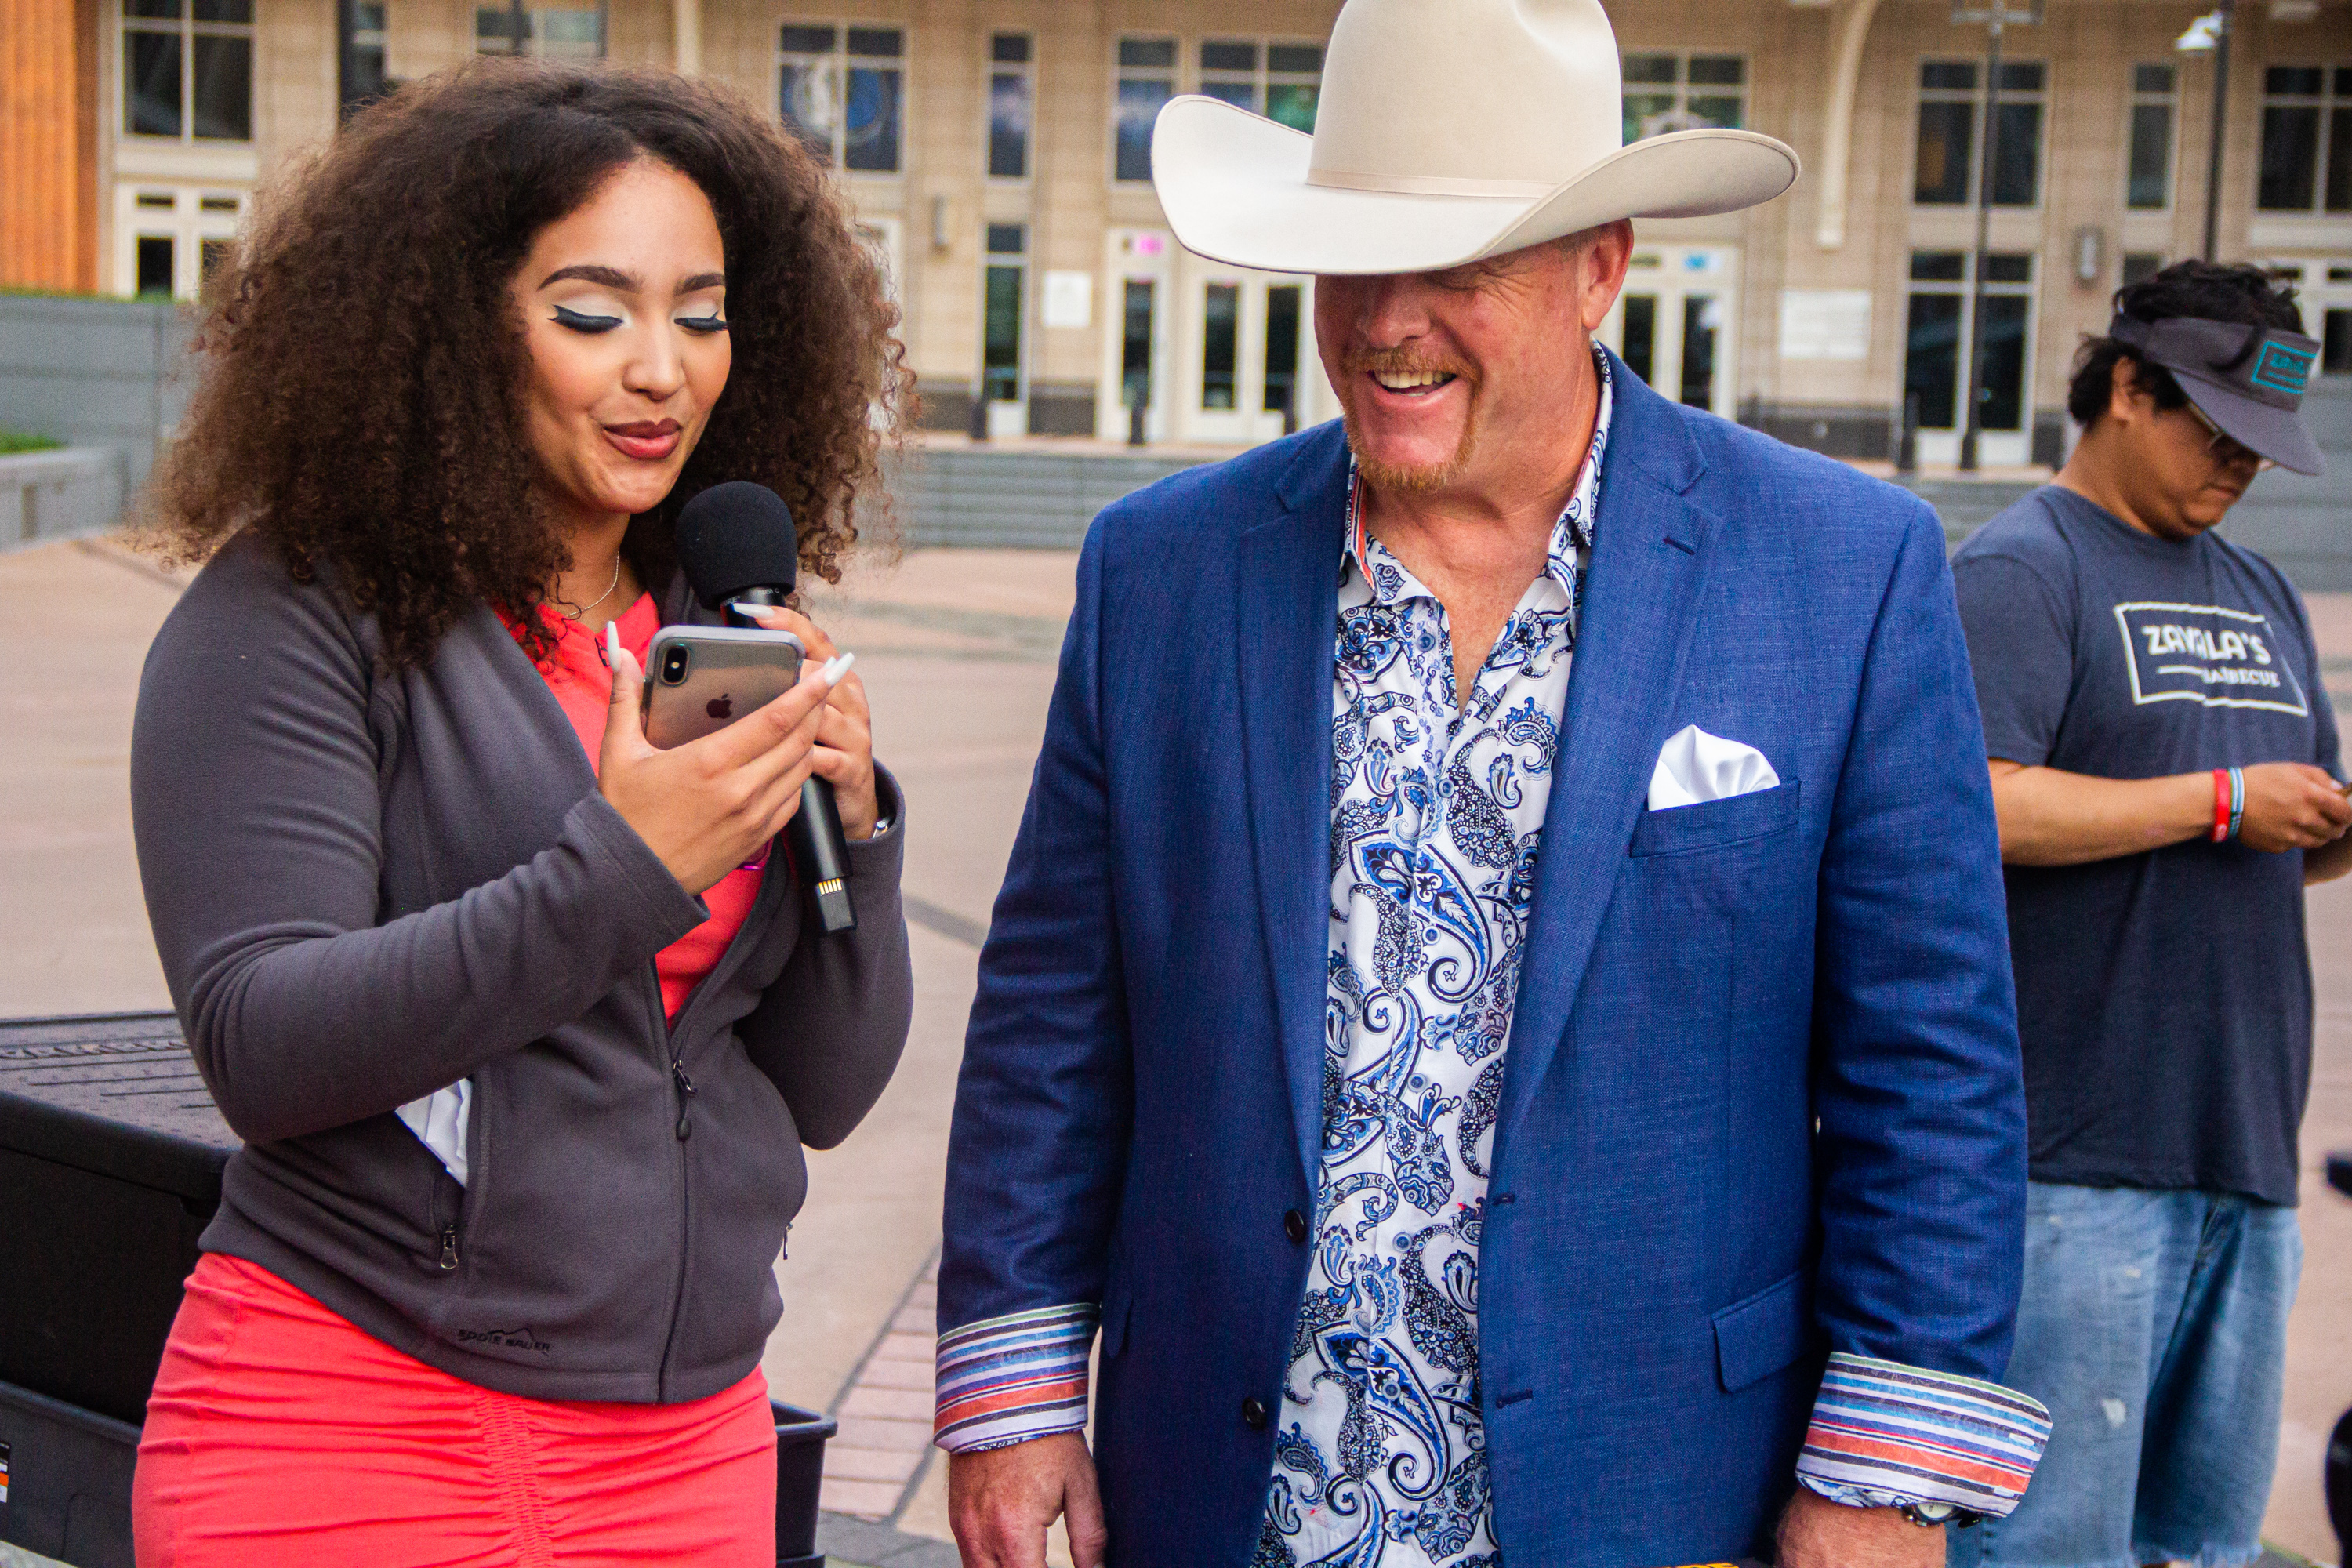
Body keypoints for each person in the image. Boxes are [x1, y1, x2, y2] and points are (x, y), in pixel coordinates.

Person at [934, 0, 2052, 1563]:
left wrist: (1879, 1476)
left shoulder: (1840, 571)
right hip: (1229, 1492)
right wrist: (1014, 1392)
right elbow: (1055, 1016)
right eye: (1353, 261)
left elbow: (1929, 1066)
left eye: (1458, 269)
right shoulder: (1163, 571)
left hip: (1657, 1491)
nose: (1388, 324)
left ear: (1604, 262)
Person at [126, 62, 913, 1565]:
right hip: (346, 1427)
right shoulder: (301, 615)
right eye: (593, 310)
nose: (661, 371)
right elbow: (261, 1042)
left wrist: (858, 840)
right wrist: (622, 869)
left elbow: (824, 1091)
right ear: (457, 324)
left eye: (702, 312)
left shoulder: (719, 627)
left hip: (688, 1458)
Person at [1948, 262, 2343, 1568]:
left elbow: (2283, 839)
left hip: (2243, 1149)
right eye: (2216, 434)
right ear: (2126, 388)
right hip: (2076, 1164)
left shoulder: (2260, 591)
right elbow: (1978, 809)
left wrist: (2322, 826)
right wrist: (2225, 801)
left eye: (2260, 450)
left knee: (2204, 1549)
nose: (2238, 470)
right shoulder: (2020, 571)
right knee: (2047, 1546)